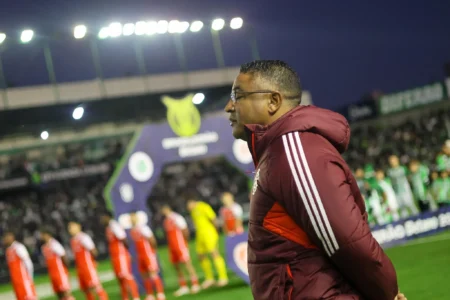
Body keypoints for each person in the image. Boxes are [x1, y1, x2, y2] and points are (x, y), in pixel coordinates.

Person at [224, 60, 402, 300]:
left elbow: (346, 240)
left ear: (273, 101)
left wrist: (386, 294)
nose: (229, 106)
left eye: (238, 95)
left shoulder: (292, 151)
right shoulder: (279, 152)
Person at [186, 197, 228, 289]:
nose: (188, 208)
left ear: (192, 202)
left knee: (214, 253)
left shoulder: (204, 206)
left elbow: (213, 219)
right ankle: (209, 278)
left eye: (188, 205)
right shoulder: (193, 211)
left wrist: (216, 231)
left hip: (209, 233)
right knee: (200, 255)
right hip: (200, 235)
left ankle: (223, 277)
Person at [161, 205, 200, 296]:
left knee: (187, 264)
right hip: (172, 246)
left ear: (168, 209)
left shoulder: (177, 218)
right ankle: (183, 286)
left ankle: (195, 284)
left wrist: (185, 243)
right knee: (176, 266)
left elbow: (184, 230)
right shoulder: (166, 221)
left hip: (180, 244)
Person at [100, 212, 140, 300]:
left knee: (126, 276)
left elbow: (123, 238)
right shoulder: (109, 227)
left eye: (103, 217)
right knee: (120, 278)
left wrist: (126, 252)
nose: (101, 220)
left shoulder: (114, 225)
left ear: (107, 217)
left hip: (120, 255)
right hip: (115, 256)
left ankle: (135, 297)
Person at [129, 211, 166, 300]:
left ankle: (160, 293)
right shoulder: (133, 230)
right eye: (130, 217)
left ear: (136, 218)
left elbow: (151, 239)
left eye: (133, 217)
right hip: (140, 255)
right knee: (144, 275)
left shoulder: (143, 228)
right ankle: (150, 294)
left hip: (148, 254)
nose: (131, 219)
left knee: (153, 273)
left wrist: (153, 252)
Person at [68, 221, 108, 300]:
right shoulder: (73, 240)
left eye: (72, 227)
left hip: (88, 267)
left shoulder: (83, 237)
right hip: (80, 268)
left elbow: (93, 250)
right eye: (69, 228)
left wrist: (94, 261)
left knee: (96, 286)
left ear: (78, 226)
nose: (70, 229)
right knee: (86, 289)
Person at [40, 227, 74, 300]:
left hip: (60, 272)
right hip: (53, 274)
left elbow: (63, 256)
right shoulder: (44, 247)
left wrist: (66, 270)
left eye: (42, 235)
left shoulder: (54, 244)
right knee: (59, 294)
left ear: (47, 235)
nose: (41, 237)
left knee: (66, 292)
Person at [2, 231, 37, 300]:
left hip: (24, 280)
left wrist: (30, 277)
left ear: (11, 237)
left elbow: (28, 262)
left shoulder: (18, 247)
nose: (4, 240)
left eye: (6, 237)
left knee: (29, 298)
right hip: (16, 282)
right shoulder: (8, 250)